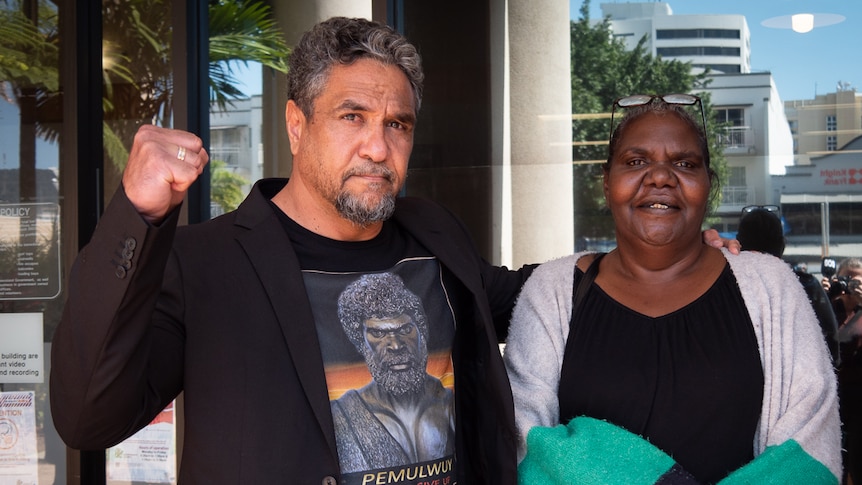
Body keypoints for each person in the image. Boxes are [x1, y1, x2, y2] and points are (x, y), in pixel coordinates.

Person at [49, 18, 736, 484]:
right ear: (297, 123)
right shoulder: (205, 262)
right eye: (352, 117)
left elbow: (526, 294)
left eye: (398, 124)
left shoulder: (432, 235)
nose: (378, 147)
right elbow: (87, 417)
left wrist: (672, 255)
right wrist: (136, 218)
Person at [503, 94, 841, 484]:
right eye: (635, 162)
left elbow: (809, 451)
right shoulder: (551, 292)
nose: (660, 177)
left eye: (684, 164)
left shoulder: (772, 289)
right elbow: (526, 442)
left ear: (708, 184)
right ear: (607, 183)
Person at [332, 272, 455, 474]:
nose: (396, 345)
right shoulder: (342, 415)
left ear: (421, 331)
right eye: (378, 333)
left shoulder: (450, 402)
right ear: (360, 341)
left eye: (405, 330)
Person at [735, 206, 840, 364]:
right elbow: (832, 348)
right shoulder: (806, 285)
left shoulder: (725, 285)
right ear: (782, 245)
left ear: (737, 243)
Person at [825, 257, 862, 485]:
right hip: (831, 400)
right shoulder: (829, 306)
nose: (852, 285)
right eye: (848, 279)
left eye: (858, 280)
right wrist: (825, 297)